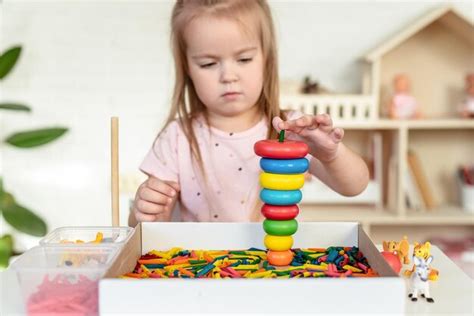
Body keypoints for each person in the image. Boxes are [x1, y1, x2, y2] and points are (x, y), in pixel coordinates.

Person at [129, 0, 369, 227]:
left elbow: (355, 186)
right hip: (201, 268)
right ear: (187, 68)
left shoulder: (290, 130)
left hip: (275, 267)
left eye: (243, 59)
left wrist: (331, 155)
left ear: (267, 59)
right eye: (208, 64)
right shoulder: (177, 138)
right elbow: (141, 226)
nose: (228, 76)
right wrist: (144, 211)